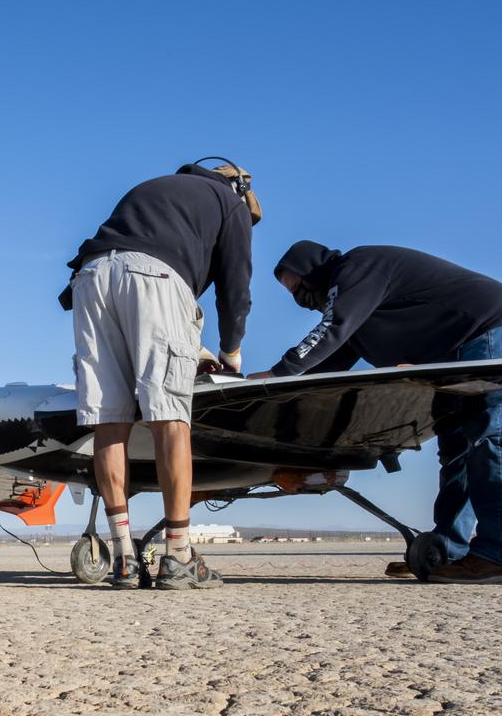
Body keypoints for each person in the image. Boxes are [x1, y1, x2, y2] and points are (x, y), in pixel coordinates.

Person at [60, 159, 261, 589]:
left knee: (107, 418)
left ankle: (124, 559)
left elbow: (126, 264)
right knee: (170, 416)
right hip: (155, 277)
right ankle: (178, 555)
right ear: (240, 187)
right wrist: (232, 351)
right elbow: (235, 287)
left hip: (90, 278)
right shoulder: (231, 203)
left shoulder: (156, 189)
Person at [262, 241, 502, 584]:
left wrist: (278, 373)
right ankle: (449, 551)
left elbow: (333, 328)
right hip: (448, 355)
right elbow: (331, 364)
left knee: (487, 439)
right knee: (455, 450)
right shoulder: (362, 312)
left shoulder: (359, 268)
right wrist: (281, 399)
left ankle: (495, 553)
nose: (301, 299)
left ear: (313, 269)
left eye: (300, 287)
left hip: (485, 331)